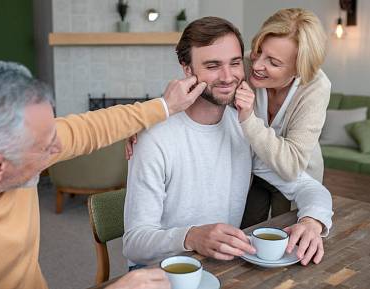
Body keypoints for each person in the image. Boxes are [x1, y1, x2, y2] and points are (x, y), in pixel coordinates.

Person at [0, 61, 207, 289]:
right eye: (46, 147)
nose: (59, 148)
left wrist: (164, 106)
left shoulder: (13, 142)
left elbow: (93, 127)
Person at [122, 17, 332, 268]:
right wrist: (190, 236)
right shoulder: (154, 138)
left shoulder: (244, 128)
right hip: (159, 272)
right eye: (212, 65)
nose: (227, 76)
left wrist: (312, 222)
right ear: (187, 69)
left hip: (221, 266)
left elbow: (308, 187)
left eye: (234, 63)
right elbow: (134, 243)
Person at [236, 8, 332, 226]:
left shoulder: (315, 87)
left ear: (299, 69)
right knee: (245, 230)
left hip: (294, 178)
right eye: (258, 50)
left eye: (273, 62)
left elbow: (291, 166)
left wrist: (248, 119)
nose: (257, 65)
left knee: (284, 233)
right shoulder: (245, 65)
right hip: (252, 170)